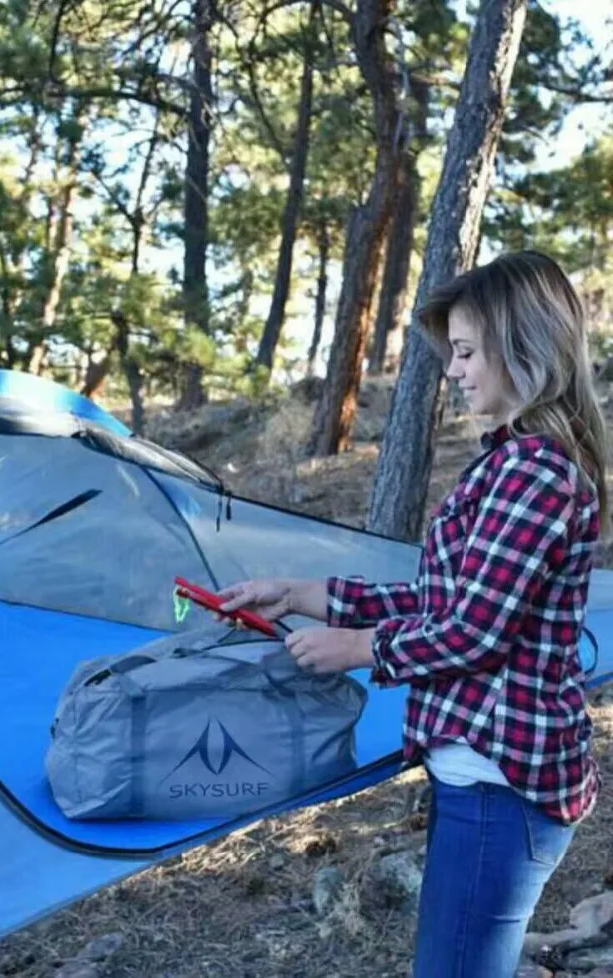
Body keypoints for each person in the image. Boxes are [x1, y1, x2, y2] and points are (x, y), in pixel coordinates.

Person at [218, 250, 609, 978]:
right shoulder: (511, 462)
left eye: (464, 353)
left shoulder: (536, 472)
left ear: (522, 346)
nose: (453, 371)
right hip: (488, 778)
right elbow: (453, 602)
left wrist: (357, 647)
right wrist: (308, 596)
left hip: (504, 783)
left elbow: (473, 633)